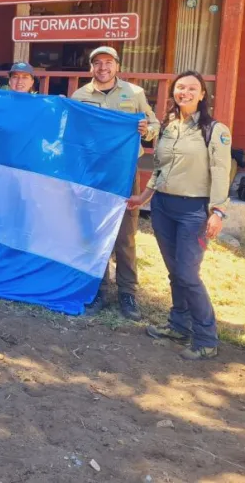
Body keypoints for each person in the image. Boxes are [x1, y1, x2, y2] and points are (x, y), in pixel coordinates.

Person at [126, 71, 231, 360]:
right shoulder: (169, 126)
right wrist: (144, 197)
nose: (185, 92)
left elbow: (222, 173)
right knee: (175, 272)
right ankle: (178, 324)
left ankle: (206, 338)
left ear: (202, 95)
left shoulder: (214, 129)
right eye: (180, 87)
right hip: (162, 207)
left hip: (193, 212)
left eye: (192, 88)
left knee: (187, 274)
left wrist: (218, 211)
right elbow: (160, 168)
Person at [72, 46, 160, 320]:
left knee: (125, 234)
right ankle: (98, 288)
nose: (103, 67)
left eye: (108, 62)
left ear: (117, 66)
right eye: (97, 63)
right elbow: (73, 130)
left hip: (124, 173)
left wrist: (147, 130)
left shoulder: (134, 94)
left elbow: (154, 123)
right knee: (93, 233)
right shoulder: (80, 95)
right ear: (91, 68)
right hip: (93, 172)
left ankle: (127, 293)